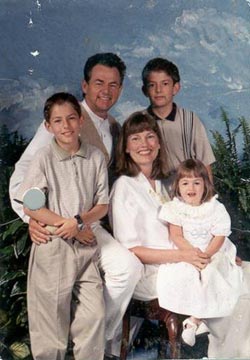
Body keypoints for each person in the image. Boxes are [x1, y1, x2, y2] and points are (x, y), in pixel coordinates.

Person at [9, 53, 143, 357]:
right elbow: (22, 181)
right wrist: (36, 219)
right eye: (98, 83)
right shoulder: (63, 119)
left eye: (113, 84)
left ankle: (95, 342)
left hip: (89, 224)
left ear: (121, 89)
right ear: (84, 85)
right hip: (58, 227)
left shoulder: (114, 128)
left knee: (126, 269)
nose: (105, 91)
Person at [15, 92, 108, 359]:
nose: (65, 126)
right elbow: (32, 205)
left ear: (80, 120)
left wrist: (79, 223)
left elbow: (102, 205)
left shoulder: (95, 158)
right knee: (51, 331)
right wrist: (68, 225)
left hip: (85, 248)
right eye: (57, 121)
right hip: (53, 247)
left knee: (94, 317)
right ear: (48, 127)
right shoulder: (43, 159)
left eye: (70, 119)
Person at [109, 111, 210, 355]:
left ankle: (228, 351)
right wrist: (185, 257)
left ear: (159, 143)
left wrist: (217, 253)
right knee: (228, 282)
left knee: (242, 273)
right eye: (135, 139)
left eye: (150, 136)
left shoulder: (165, 183)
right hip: (150, 275)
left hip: (181, 262)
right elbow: (132, 252)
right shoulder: (124, 187)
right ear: (125, 147)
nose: (144, 145)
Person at [157, 158, 244, 347]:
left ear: (205, 186)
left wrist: (207, 256)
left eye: (197, 183)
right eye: (185, 183)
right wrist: (193, 255)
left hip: (213, 250)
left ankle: (194, 321)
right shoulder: (175, 208)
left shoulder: (215, 208)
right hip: (186, 251)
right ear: (177, 186)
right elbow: (176, 236)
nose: (192, 188)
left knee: (213, 273)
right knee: (187, 274)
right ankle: (204, 320)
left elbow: (219, 236)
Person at [141, 57, 215, 181]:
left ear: (175, 88)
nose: (158, 90)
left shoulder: (191, 120)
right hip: (152, 191)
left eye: (165, 84)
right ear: (145, 90)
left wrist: (208, 198)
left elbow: (205, 164)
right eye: (152, 85)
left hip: (187, 191)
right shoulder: (139, 122)